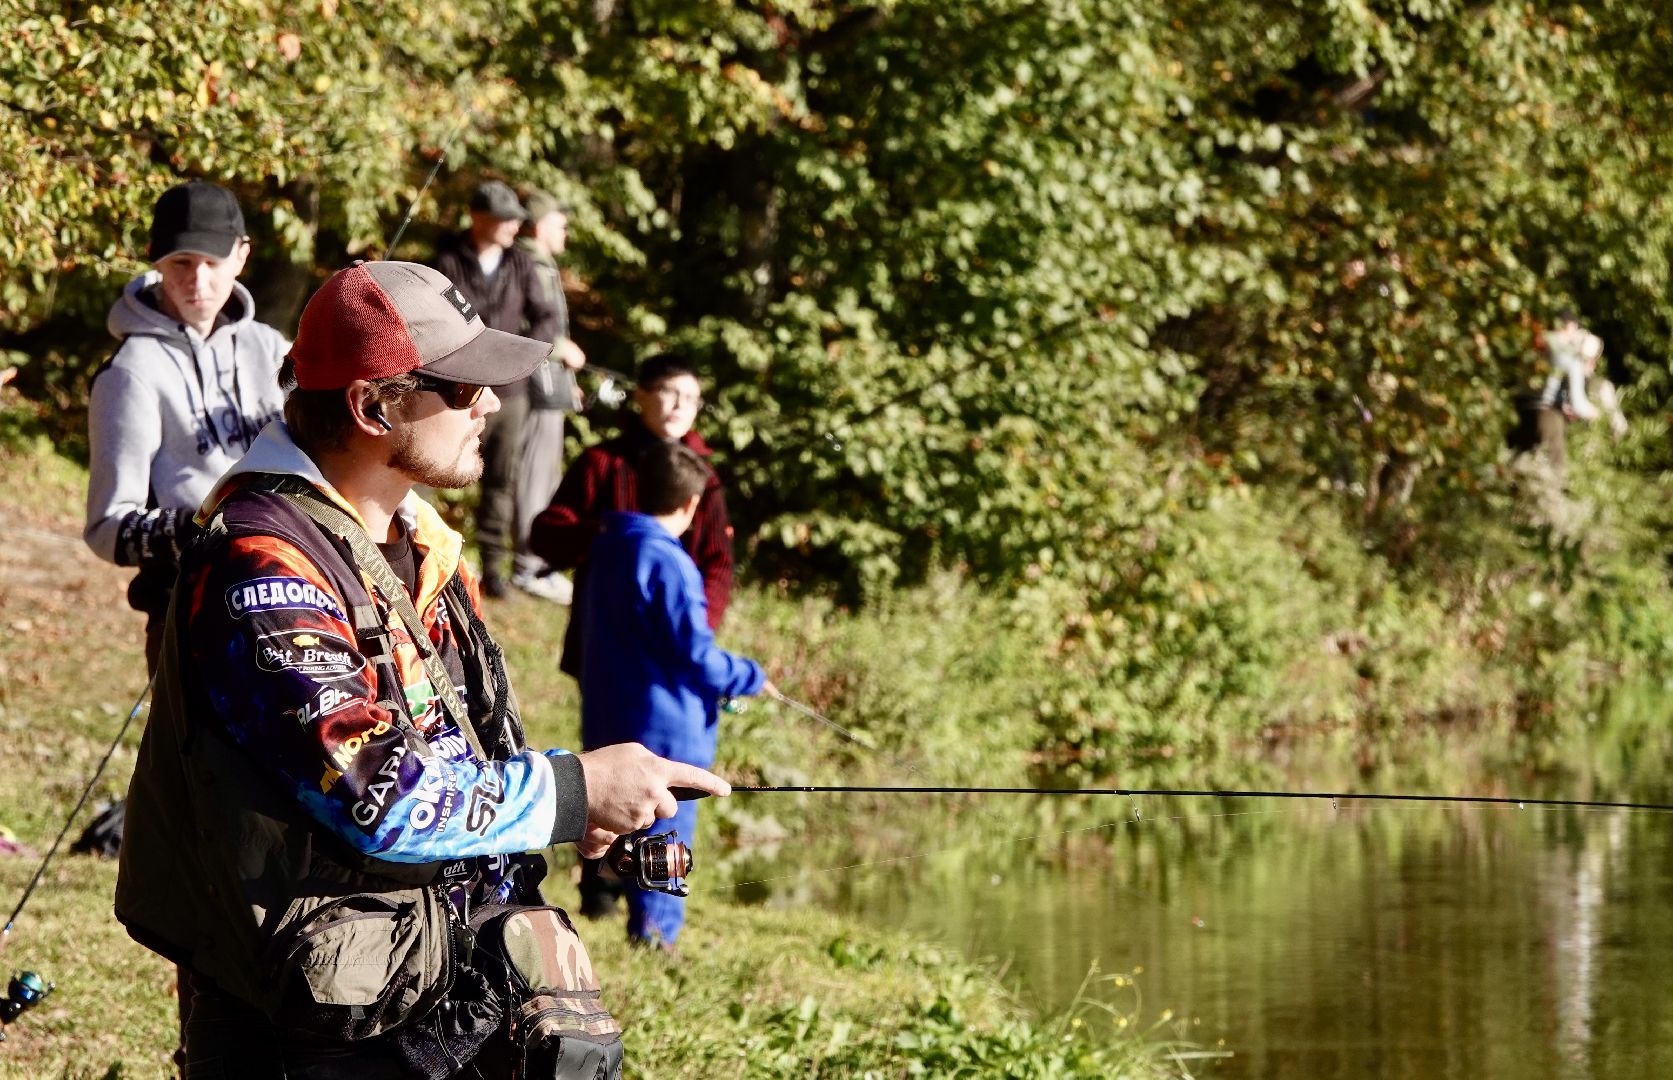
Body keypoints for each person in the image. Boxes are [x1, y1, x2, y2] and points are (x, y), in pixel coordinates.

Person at [113, 261, 729, 1078]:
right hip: (310, 1033)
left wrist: (555, 812)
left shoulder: (414, 539)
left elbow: (446, 754)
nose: (491, 405)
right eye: (463, 386)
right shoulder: (263, 568)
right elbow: (385, 796)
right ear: (375, 405)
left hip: (417, 989)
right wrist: (568, 789)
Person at [84, 180, 288, 672]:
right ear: (155, 258)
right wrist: (207, 527)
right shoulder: (131, 371)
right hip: (192, 618)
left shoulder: (273, 349)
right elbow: (106, 529)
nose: (198, 281)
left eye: (213, 263)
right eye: (181, 263)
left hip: (293, 600)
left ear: (241, 256)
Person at [578, 440, 773, 949]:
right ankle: (655, 940)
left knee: (619, 825)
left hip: (610, 713)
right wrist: (751, 675)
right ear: (691, 505)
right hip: (666, 724)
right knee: (668, 832)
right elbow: (696, 654)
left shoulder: (609, 548)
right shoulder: (669, 561)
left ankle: (618, 915)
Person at [529, 353, 735, 681]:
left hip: (674, 636)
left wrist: (697, 629)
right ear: (641, 395)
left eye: (691, 398)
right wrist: (608, 535)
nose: (680, 405)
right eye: (669, 392)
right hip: (605, 635)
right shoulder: (603, 462)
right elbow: (546, 534)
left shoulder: (704, 478)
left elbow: (718, 562)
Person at [431, 180, 559, 598]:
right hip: (457, 387)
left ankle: (494, 570)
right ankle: (432, 557)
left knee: (500, 480)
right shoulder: (448, 259)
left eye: (516, 221)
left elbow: (544, 315)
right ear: (478, 218)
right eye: (505, 219)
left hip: (513, 391)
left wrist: (526, 354)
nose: (512, 227)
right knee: (437, 468)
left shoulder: (521, 264)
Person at [509, 190, 587, 604]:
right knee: (535, 476)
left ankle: (536, 563)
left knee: (544, 474)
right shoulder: (530, 264)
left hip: (549, 379)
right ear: (540, 226)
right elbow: (528, 325)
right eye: (560, 223)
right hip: (537, 381)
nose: (566, 231)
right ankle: (531, 566)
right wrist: (560, 349)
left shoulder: (541, 263)